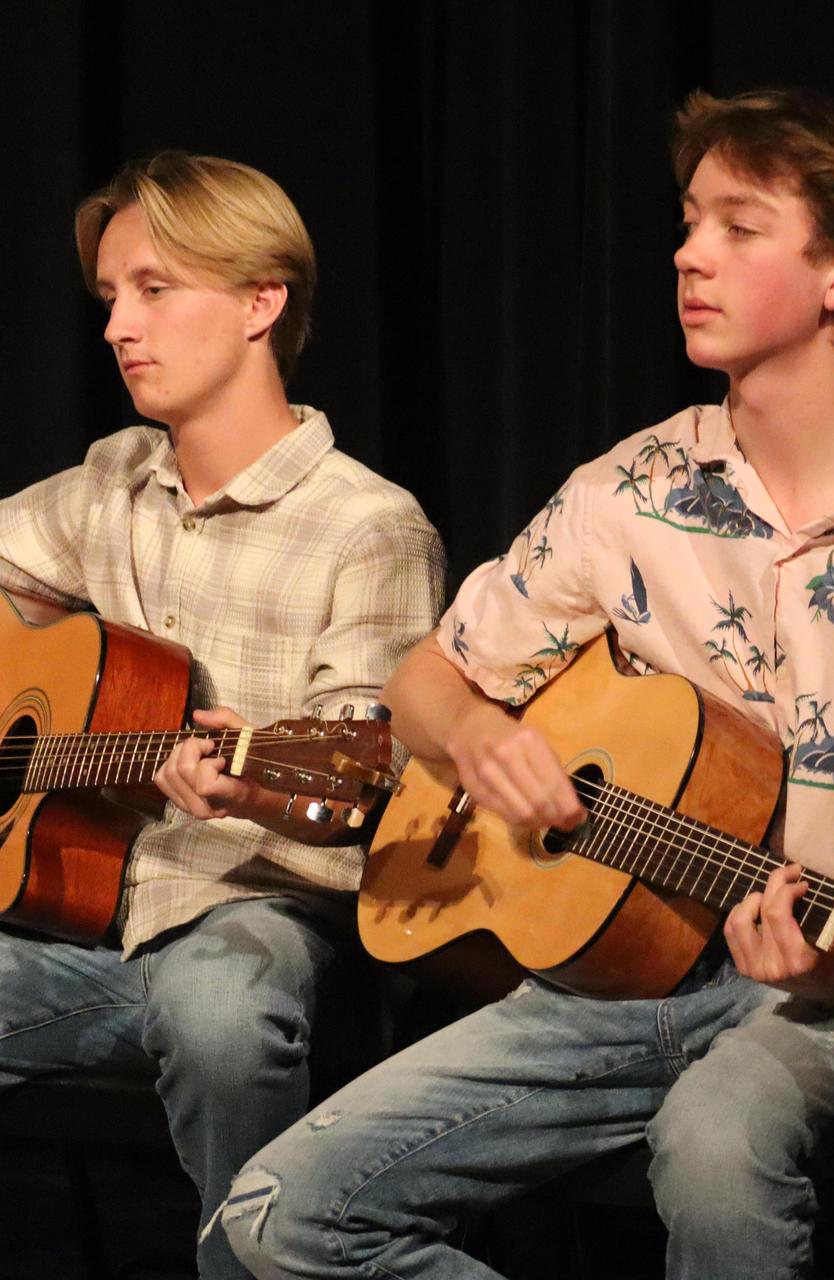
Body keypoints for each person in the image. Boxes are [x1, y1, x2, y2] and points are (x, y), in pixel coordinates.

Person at [221, 87, 834, 1280]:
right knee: (278, 1214)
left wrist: (832, 958)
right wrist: (472, 733)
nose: (687, 252)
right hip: (614, 971)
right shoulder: (633, 484)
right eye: (688, 220)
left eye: (737, 227)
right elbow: (424, 677)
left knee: (714, 1147)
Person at [0, 152, 446, 1280]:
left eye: (154, 289)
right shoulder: (114, 479)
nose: (117, 327)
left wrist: (252, 781)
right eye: (110, 297)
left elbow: (359, 780)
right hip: (92, 923)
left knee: (215, 1010)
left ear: (261, 302)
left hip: (265, 918)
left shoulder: (370, 526)